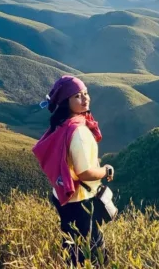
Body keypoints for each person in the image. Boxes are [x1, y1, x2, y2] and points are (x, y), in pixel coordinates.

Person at [32, 75, 115, 266]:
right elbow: (84, 173)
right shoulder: (78, 131)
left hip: (62, 195)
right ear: (65, 102)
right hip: (80, 200)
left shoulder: (62, 126)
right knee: (94, 254)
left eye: (86, 93)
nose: (85, 98)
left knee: (72, 246)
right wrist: (105, 170)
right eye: (78, 96)